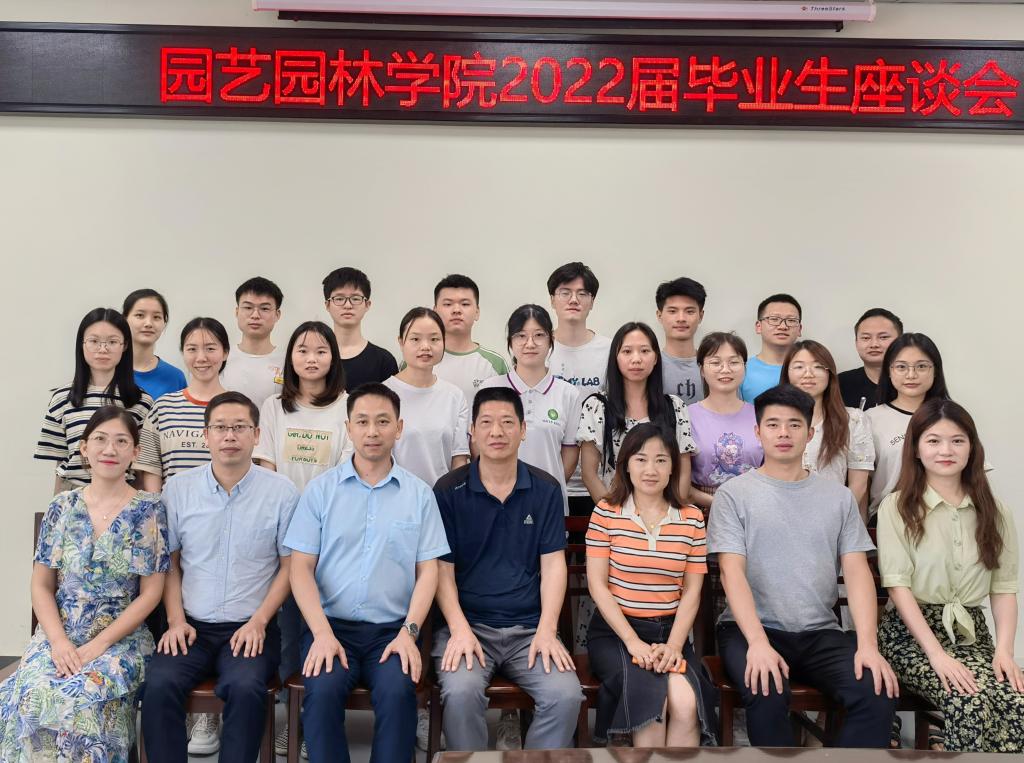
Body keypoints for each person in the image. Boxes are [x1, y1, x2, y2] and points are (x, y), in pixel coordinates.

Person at [708, 384, 898, 747]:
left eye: (794, 425)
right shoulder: (734, 495)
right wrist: (758, 643)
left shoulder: (838, 498)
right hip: (750, 630)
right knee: (766, 688)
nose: (784, 433)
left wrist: (867, 645)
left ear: (810, 434)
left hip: (820, 632)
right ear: (757, 432)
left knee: (876, 690)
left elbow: (857, 572)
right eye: (773, 424)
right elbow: (732, 573)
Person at [285, 383, 450, 763]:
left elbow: (429, 571)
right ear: (349, 428)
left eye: (382, 422)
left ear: (399, 427)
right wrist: (321, 634)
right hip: (330, 628)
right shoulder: (320, 491)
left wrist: (409, 633)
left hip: (391, 632)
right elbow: (300, 568)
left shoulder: (419, 494)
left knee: (398, 691)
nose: (372, 431)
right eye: (362, 422)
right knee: (322, 691)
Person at [0, 407, 168, 761]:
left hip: (120, 640)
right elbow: (41, 585)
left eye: (121, 441)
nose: (110, 449)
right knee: (32, 694)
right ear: (84, 448)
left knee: (81, 700)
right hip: (58, 635)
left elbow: (151, 593)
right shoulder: (62, 506)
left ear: (135, 452)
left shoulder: (149, 510)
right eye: (100, 440)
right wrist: (59, 642)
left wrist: (99, 645)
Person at [141, 391, 299, 763]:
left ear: (256, 435)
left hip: (251, 628)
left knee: (246, 688)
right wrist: (175, 621)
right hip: (190, 626)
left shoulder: (281, 492)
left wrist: (259, 622)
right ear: (206, 435)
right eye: (220, 427)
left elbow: (290, 567)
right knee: (159, 686)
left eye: (240, 427)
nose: (230, 435)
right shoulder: (178, 489)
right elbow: (170, 563)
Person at [432, 387, 583, 751]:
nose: (496, 432)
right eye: (486, 423)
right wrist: (459, 630)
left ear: (523, 429)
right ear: (472, 431)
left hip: (529, 629)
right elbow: (441, 571)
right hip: (467, 627)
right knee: (461, 692)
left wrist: (547, 630)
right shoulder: (449, 490)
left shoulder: (545, 489)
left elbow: (554, 566)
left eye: (506, 423)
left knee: (565, 696)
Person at [877, 399, 1023, 752]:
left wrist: (1005, 651)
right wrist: (937, 655)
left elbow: (1003, 589)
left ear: (972, 448)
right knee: (968, 700)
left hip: (972, 634)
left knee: (1016, 700)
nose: (946, 450)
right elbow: (898, 587)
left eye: (958, 440)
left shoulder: (995, 511)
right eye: (934, 440)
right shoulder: (897, 507)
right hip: (910, 637)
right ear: (916, 449)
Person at [586, 423, 717, 747]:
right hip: (617, 634)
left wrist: (674, 646)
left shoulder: (691, 518)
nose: (651, 469)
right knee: (653, 708)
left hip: (669, 632)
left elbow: (692, 592)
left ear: (673, 467)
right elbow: (598, 586)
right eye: (641, 459)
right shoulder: (606, 512)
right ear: (626, 465)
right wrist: (633, 642)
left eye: (661, 460)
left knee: (685, 705)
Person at [36, 307, 156, 494]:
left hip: (124, 496)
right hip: (73, 495)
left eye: (112, 342)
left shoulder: (142, 402)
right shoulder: (62, 399)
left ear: (124, 346)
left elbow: (143, 466)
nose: (103, 349)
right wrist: (57, 505)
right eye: (94, 341)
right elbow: (61, 464)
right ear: (82, 344)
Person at [478, 304, 582, 514]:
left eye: (539, 335)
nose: (530, 343)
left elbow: (570, 455)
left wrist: (545, 487)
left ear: (551, 340)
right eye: (521, 336)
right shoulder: (490, 388)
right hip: (497, 502)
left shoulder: (568, 393)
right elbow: (478, 448)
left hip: (549, 504)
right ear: (510, 342)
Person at [578, 322, 696, 504]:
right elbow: (589, 474)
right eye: (627, 351)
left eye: (644, 351)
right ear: (615, 358)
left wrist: (669, 513)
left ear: (656, 358)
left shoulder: (675, 407)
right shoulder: (597, 406)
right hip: (614, 512)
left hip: (666, 513)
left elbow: (683, 471)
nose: (636, 359)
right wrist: (613, 515)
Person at [546, 262, 612, 520]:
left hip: (598, 481)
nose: (573, 299)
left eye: (582, 293)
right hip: (549, 476)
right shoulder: (537, 348)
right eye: (565, 292)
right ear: (552, 299)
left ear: (592, 301)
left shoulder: (609, 350)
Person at [255, 321, 354, 492]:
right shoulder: (273, 406)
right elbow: (267, 469)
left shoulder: (349, 407)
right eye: (302, 351)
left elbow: (345, 471)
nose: (311, 359)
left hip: (330, 503)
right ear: (290, 358)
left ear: (333, 359)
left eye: (321, 352)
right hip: (281, 503)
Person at [781, 340, 875, 517]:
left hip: (835, 518)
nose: (808, 374)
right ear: (787, 373)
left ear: (829, 374)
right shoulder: (774, 422)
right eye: (799, 367)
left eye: (818, 367)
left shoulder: (853, 420)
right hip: (781, 516)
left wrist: (834, 520)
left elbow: (859, 485)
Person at [136, 317, 230, 488]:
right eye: (192, 349)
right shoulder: (163, 407)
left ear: (225, 352)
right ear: (183, 353)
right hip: (172, 505)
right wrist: (156, 505)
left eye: (210, 348)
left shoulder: (239, 408)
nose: (201, 358)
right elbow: (150, 468)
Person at [383, 308, 470, 487]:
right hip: (395, 496)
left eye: (434, 339)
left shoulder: (454, 396)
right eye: (415, 339)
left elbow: (459, 460)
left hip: (441, 498)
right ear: (401, 342)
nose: (425, 347)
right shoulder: (382, 394)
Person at [867, 333, 950, 517]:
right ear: (889, 371)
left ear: (935, 370)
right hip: (887, 519)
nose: (911, 375)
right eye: (901, 367)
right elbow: (861, 482)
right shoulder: (870, 419)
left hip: (945, 517)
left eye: (921, 366)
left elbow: (973, 473)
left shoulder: (951, 416)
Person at [688, 332, 763, 511]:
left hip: (755, 507)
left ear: (744, 367)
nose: (725, 369)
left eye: (734, 362)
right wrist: (724, 505)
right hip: (703, 510)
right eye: (715, 363)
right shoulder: (685, 416)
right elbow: (679, 482)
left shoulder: (761, 415)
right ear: (702, 369)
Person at [432, 274, 508, 402]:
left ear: (477, 312)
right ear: (435, 312)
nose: (456, 310)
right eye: (448, 304)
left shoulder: (496, 364)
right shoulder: (418, 359)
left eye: (465, 304)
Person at [322, 267, 398, 391]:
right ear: (327, 305)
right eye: (339, 299)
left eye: (355, 299)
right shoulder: (314, 359)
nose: (347, 305)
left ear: (367, 305)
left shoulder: (384, 361)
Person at [221, 277, 286, 409]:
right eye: (248, 307)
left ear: (277, 315)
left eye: (264, 308)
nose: (255, 315)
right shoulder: (221, 358)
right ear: (237, 311)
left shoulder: (288, 361)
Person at [123, 288, 187, 401]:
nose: (148, 323)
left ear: (164, 323)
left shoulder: (175, 377)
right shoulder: (108, 370)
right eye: (140, 315)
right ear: (124, 319)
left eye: (156, 317)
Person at [739, 294, 802, 403]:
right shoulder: (741, 370)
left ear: (799, 329)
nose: (783, 326)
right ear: (759, 327)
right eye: (774, 319)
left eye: (791, 320)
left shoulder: (810, 371)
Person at [837, 309, 904, 411]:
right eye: (866, 338)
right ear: (856, 342)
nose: (874, 344)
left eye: (883, 337)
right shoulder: (839, 384)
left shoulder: (913, 382)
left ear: (900, 341)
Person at [655, 277, 706, 405]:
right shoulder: (650, 366)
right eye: (673, 311)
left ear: (700, 316)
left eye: (689, 311)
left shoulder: (715, 367)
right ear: (659, 316)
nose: (681, 318)